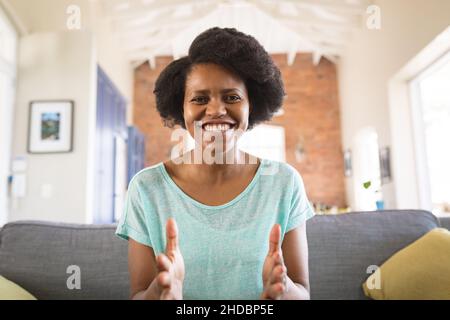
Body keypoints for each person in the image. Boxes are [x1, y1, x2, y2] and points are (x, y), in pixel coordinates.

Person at [115, 27, 315, 300]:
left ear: (251, 105)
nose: (216, 110)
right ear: (180, 107)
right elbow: (138, 296)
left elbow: (303, 294)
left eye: (232, 97)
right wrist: (159, 292)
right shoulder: (146, 189)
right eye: (199, 98)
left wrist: (282, 289)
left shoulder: (284, 182)